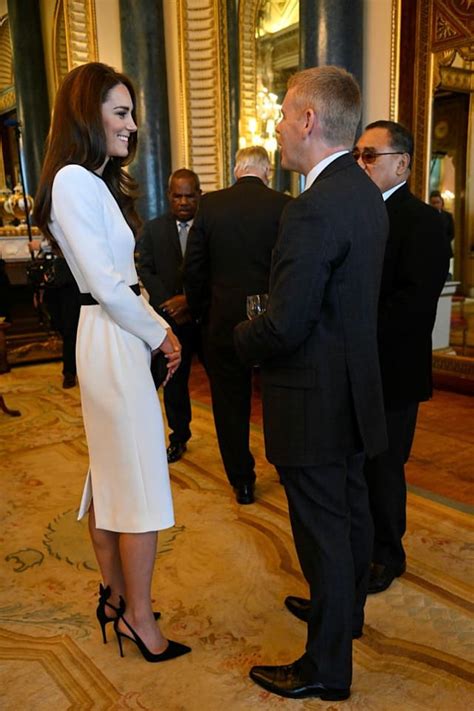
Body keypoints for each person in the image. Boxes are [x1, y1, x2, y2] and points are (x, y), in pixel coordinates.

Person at [234, 67, 388, 700]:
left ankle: (326, 669)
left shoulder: (312, 209)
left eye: (283, 114)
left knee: (322, 534)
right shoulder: (364, 191)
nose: (275, 127)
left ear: (308, 121)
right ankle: (343, 614)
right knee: (350, 518)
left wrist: (238, 340)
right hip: (354, 391)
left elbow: (288, 323)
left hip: (315, 401)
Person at [33, 62, 190, 663]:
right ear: (86, 116)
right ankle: (139, 619)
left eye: (130, 113)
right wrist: (162, 334)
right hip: (112, 331)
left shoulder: (87, 181)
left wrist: (148, 329)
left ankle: (117, 600)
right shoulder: (75, 179)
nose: (132, 126)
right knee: (139, 483)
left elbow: (112, 281)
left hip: (111, 332)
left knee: (112, 477)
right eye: (120, 113)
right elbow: (104, 280)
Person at [352, 121, 450, 594]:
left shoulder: (425, 223)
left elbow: (413, 306)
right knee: (358, 465)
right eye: (358, 154)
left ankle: (388, 554)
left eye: (371, 155)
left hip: (393, 368)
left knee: (385, 466)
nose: (361, 163)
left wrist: (353, 331)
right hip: (353, 367)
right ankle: (364, 544)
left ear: (403, 163)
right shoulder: (355, 213)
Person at [184, 146, 291, 504]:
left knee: (230, 404)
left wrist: (201, 313)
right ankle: (287, 469)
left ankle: (242, 481)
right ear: (268, 170)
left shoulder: (211, 205)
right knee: (277, 397)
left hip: (223, 323)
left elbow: (194, 269)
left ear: (235, 169)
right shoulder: (284, 205)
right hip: (273, 321)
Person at [137, 169, 202, 463]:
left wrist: (190, 300)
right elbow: (145, 269)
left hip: (205, 316)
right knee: (175, 383)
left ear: (198, 195)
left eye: (190, 195)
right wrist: (168, 302)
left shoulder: (209, 226)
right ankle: (179, 437)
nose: (184, 202)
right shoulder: (152, 230)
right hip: (172, 322)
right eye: (178, 196)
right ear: (169, 196)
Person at [28, 238, 81, 388]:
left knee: (70, 328)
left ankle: (70, 372)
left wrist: (43, 246)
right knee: (59, 325)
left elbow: (68, 241)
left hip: (70, 283)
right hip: (52, 283)